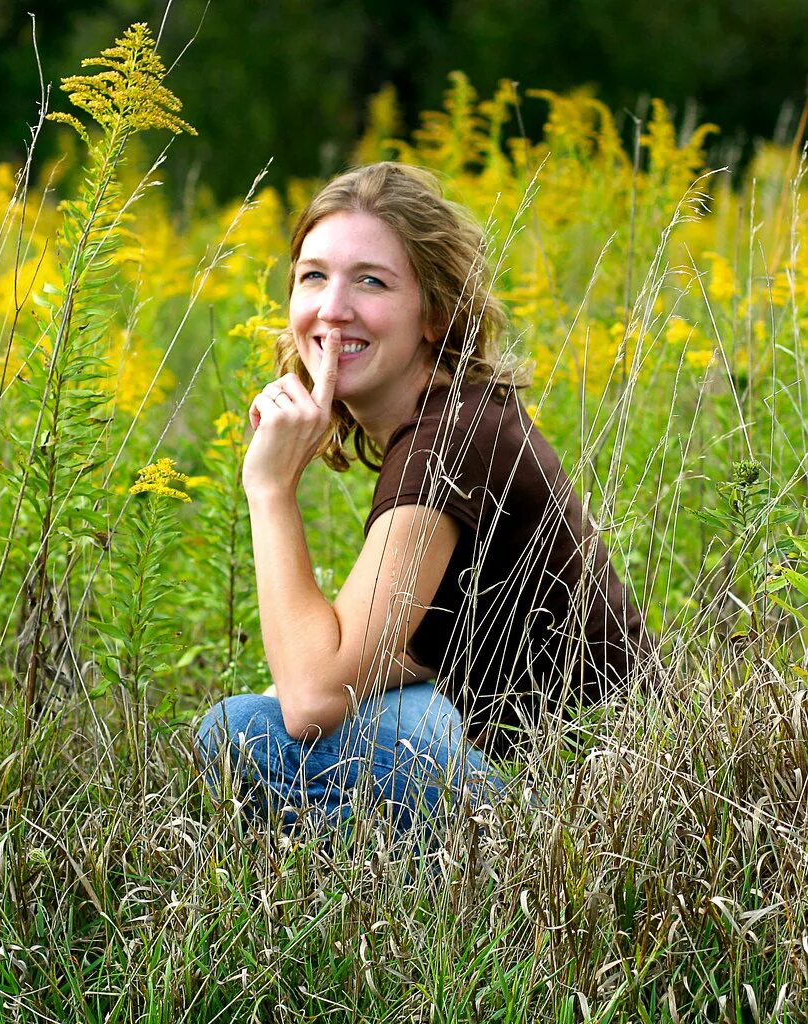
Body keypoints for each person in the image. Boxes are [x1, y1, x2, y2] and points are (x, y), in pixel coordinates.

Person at [196, 162, 647, 842]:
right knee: (240, 728)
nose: (333, 308)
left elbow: (316, 696)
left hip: (593, 795)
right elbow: (367, 664)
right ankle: (378, 877)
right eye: (313, 276)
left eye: (371, 281)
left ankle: (432, 883)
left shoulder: (453, 439)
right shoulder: (451, 419)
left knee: (386, 731)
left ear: (434, 314)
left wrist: (268, 491)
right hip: (524, 767)